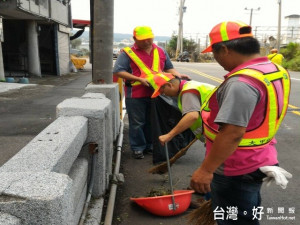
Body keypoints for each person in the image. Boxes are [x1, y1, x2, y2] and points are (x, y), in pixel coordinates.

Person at [190, 21, 291, 224]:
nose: (216, 60)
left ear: (225, 49)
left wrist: (206, 170)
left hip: (235, 166)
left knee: (235, 219)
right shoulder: (274, 69)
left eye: (215, 54)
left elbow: (232, 133)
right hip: (261, 157)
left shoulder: (241, 82)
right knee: (247, 213)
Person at [113, 26, 187, 159]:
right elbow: (118, 71)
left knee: (152, 121)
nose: (147, 42)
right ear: (135, 39)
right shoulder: (127, 53)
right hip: (135, 94)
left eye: (149, 39)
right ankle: (137, 147)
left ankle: (150, 146)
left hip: (159, 93)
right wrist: (138, 79)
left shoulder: (160, 51)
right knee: (137, 122)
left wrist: (178, 76)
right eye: (143, 40)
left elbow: (169, 68)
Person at [148, 76, 215, 145]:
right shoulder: (189, 85)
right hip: (217, 131)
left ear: (169, 85)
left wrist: (169, 135)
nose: (164, 94)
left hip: (218, 132)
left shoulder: (188, 91)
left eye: (163, 92)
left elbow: (192, 116)